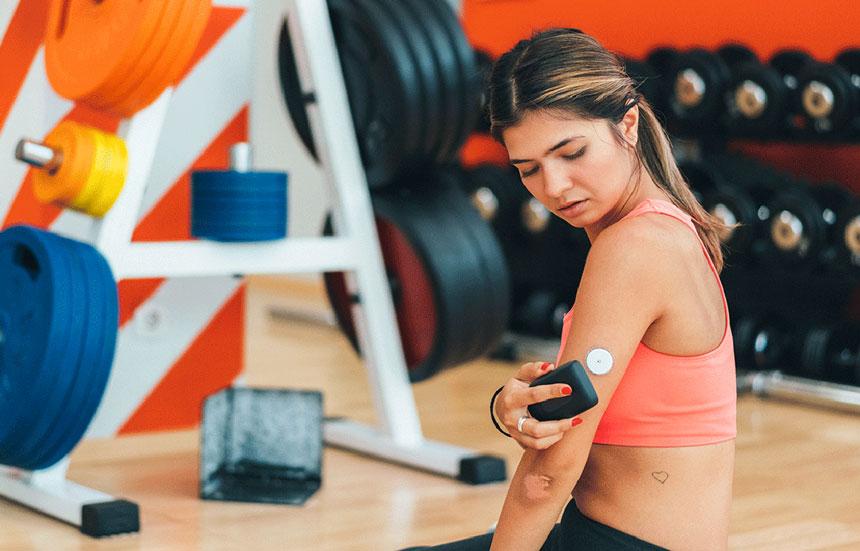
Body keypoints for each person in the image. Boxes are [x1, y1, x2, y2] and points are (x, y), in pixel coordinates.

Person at [407, 28, 737, 550]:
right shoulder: (669, 228)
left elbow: (547, 477)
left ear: (627, 123)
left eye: (571, 152)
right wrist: (509, 405)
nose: (552, 188)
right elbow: (584, 417)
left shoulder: (634, 248)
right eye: (529, 169)